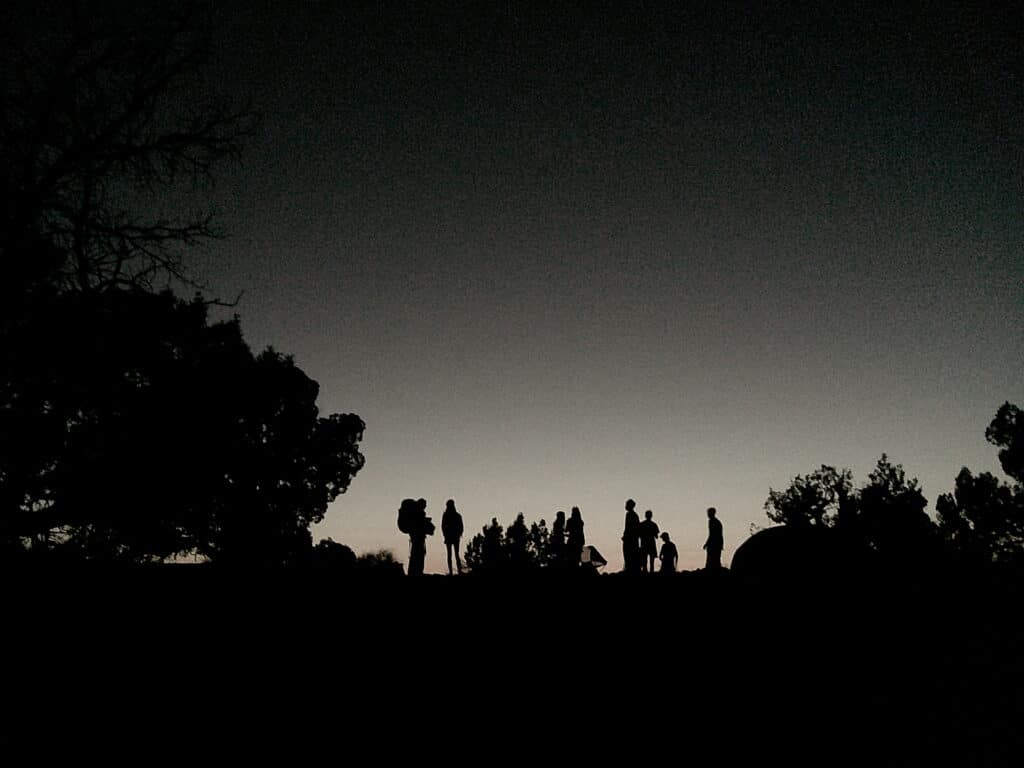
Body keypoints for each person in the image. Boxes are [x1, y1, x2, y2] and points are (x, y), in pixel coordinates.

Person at [441, 499, 464, 575]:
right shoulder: (455, 515)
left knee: (452, 554)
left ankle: (454, 571)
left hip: (452, 536)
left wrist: (459, 533)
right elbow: (443, 526)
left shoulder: (453, 515)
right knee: (453, 554)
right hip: (451, 536)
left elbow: (443, 526)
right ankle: (455, 571)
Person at [622, 499, 641, 573]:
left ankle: (630, 569)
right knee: (631, 555)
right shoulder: (635, 515)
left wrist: (625, 536)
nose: (625, 506)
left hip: (630, 539)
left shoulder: (630, 515)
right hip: (633, 539)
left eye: (626, 504)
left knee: (628, 555)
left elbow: (628, 527)